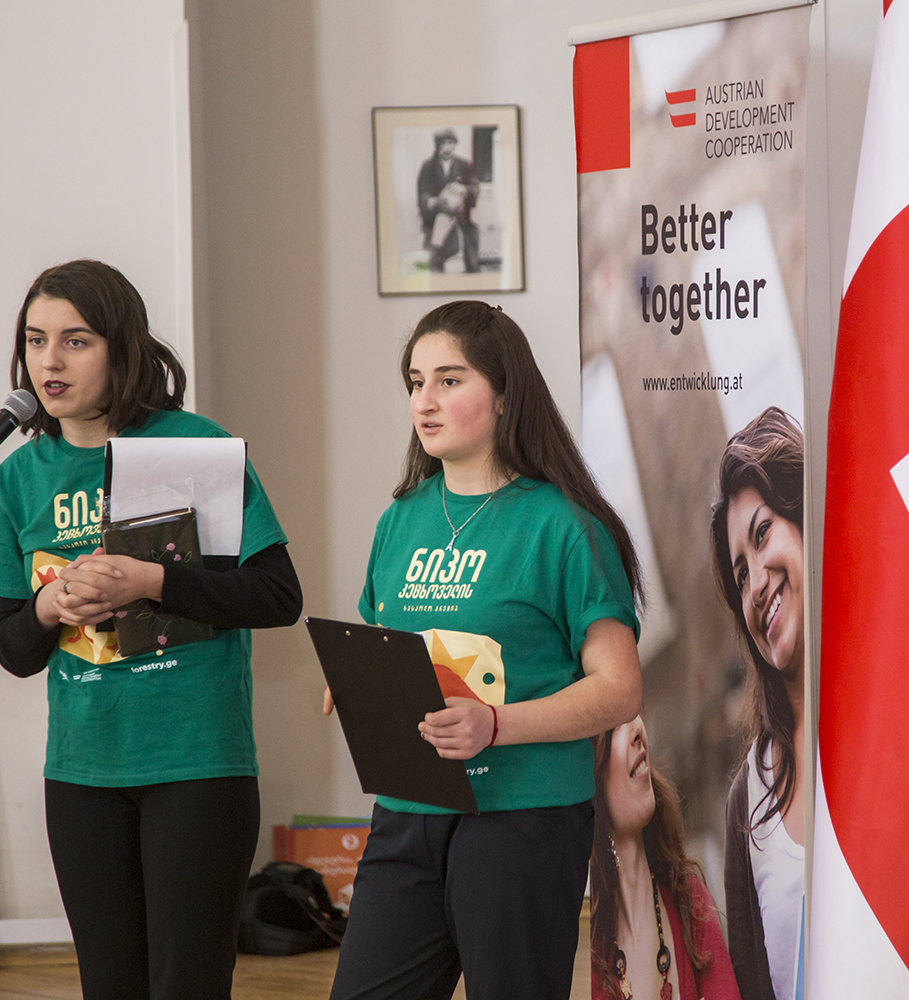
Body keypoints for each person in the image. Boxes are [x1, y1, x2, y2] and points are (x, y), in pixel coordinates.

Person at [0, 259, 302, 1000]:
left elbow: (278, 595)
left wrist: (151, 581)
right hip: (82, 771)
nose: (50, 362)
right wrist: (52, 605)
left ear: (121, 348)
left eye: (76, 340)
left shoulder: (193, 445)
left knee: (187, 982)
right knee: (110, 983)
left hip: (195, 762)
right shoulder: (20, 476)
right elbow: (11, 648)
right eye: (35, 340)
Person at [323, 300, 643, 1000]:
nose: (424, 401)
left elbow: (619, 688)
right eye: (416, 382)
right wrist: (355, 680)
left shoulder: (564, 527)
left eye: (449, 380)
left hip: (521, 819)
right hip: (408, 813)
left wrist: (495, 724)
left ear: (504, 395)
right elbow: (384, 644)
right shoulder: (400, 520)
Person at [709, 407, 806, 1000]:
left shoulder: (891, 714)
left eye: (763, 532)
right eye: (740, 573)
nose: (757, 584)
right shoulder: (750, 800)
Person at [589, 716, 740, 1000]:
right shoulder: (585, 955)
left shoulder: (689, 900)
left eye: (634, 713)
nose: (636, 728)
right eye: (614, 728)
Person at [416, 127, 480, 273]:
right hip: (438, 215)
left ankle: (472, 278)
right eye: (443, 144)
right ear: (437, 145)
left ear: (455, 144)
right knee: (434, 256)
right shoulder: (428, 166)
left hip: (462, 216)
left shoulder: (464, 164)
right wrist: (430, 201)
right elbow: (422, 192)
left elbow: (475, 187)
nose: (447, 148)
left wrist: (464, 189)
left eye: (451, 143)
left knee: (470, 255)